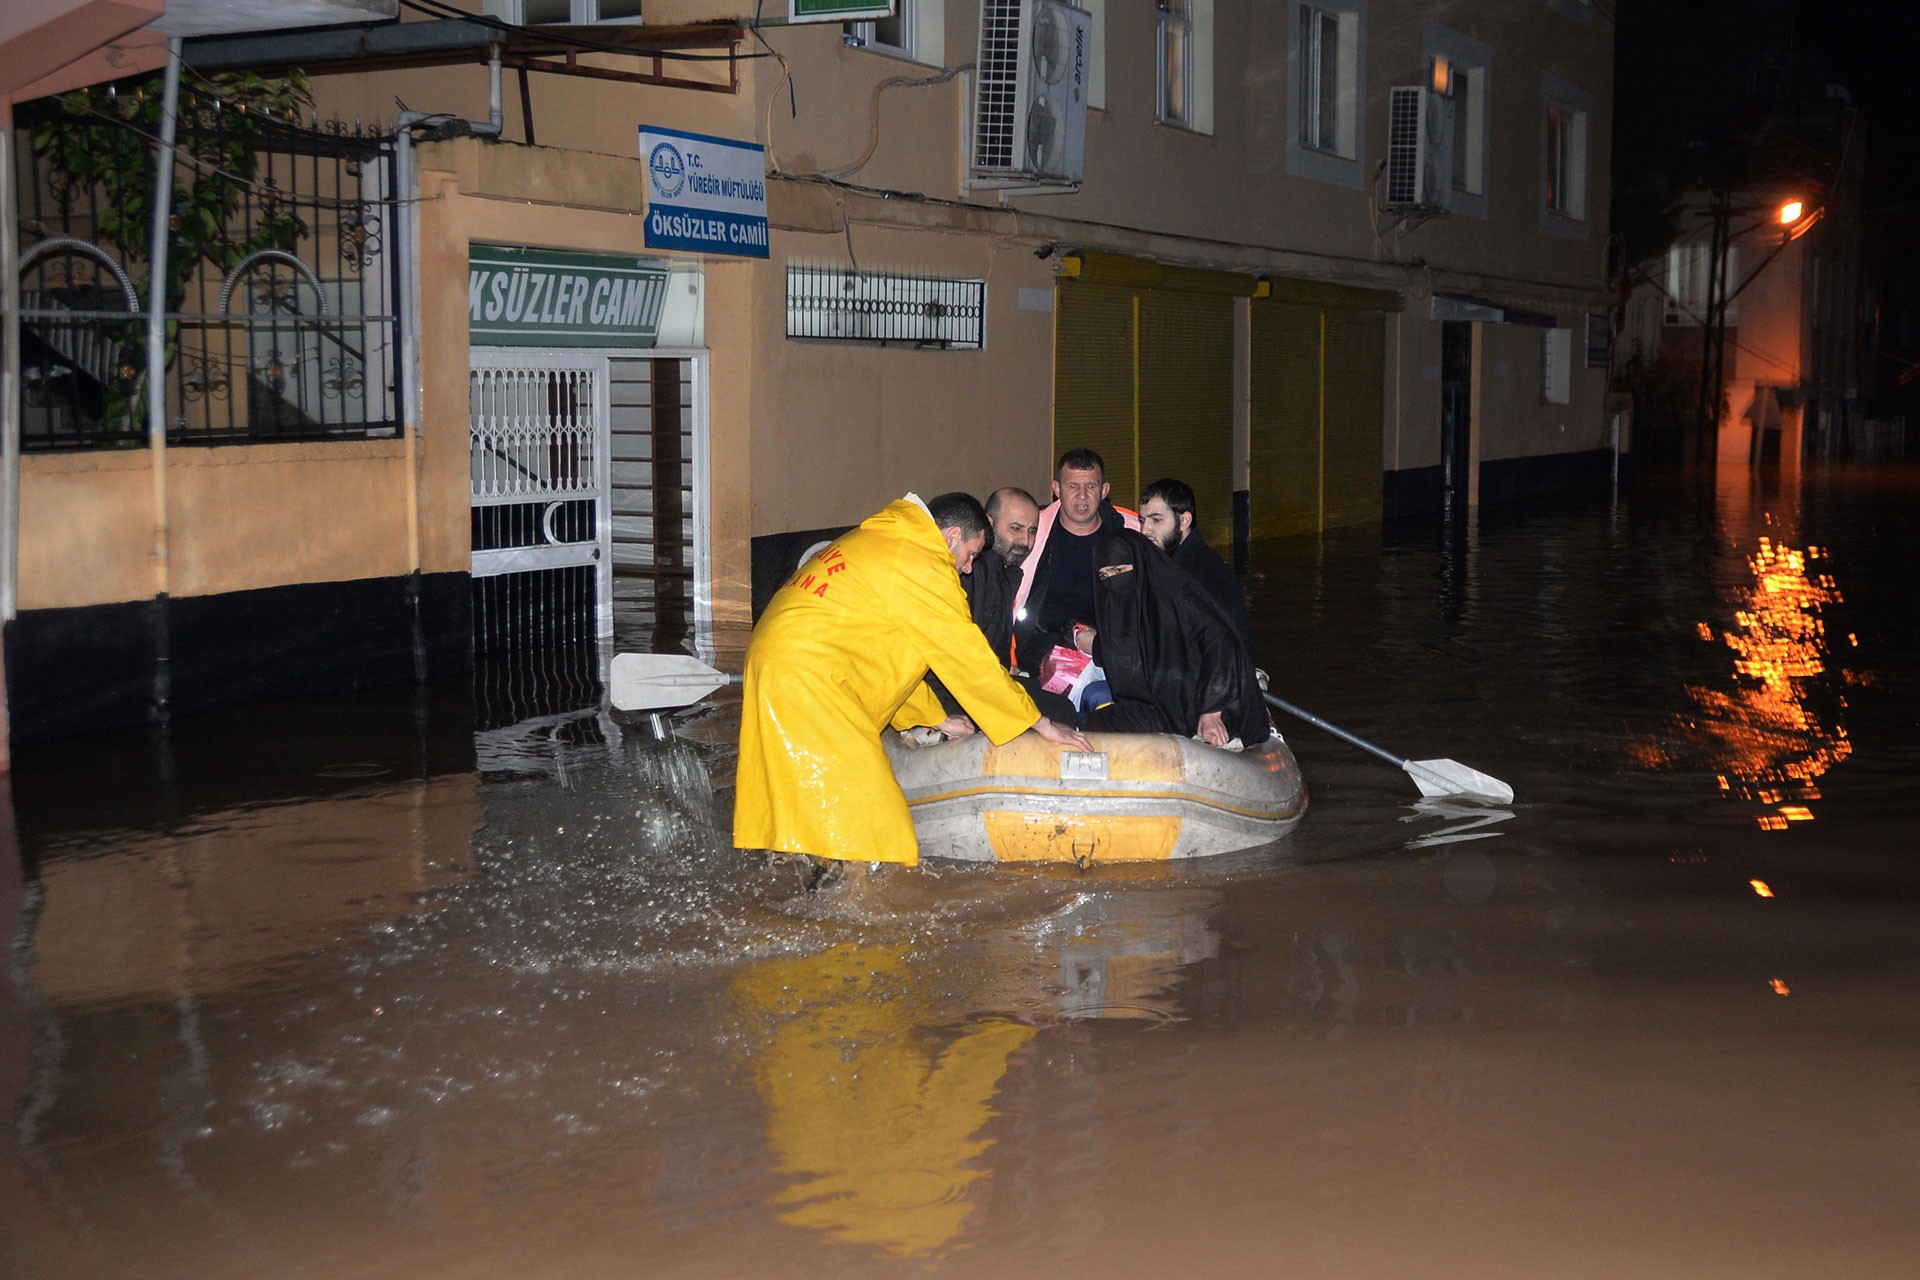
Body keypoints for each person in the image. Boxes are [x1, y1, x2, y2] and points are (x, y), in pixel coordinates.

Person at [734, 491, 1091, 867]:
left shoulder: (890, 540)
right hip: (809, 673)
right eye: (970, 554)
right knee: (873, 817)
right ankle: (858, 912)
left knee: (823, 805)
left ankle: (809, 899)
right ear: (952, 536)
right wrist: (1038, 721)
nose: (969, 568)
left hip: (784, 661)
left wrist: (933, 716)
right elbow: (965, 655)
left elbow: (893, 650)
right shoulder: (922, 563)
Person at [1080, 528, 1269, 748]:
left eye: (1119, 570)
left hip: (1196, 707)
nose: (1112, 581)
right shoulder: (1123, 609)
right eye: (1104, 576)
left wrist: (1211, 712)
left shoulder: (1178, 599)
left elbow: (1219, 641)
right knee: (1089, 726)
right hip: (1156, 707)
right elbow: (1131, 649)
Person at [1012, 449, 1140, 668]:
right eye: (1072, 486)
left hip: (1110, 656)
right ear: (1056, 489)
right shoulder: (1032, 533)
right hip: (1038, 655)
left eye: (1090, 486)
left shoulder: (1132, 533)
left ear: (1104, 490)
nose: (1082, 495)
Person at [930, 486, 1041, 718]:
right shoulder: (970, 570)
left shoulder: (1006, 572)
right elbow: (959, 658)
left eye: (1032, 531)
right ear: (989, 524)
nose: (1026, 541)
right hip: (956, 698)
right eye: (1016, 529)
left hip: (984, 688)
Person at [1138, 478, 1255, 655]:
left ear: (1184, 521)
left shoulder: (1197, 576)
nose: (1145, 530)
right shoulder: (1176, 564)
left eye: (1156, 520)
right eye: (1142, 521)